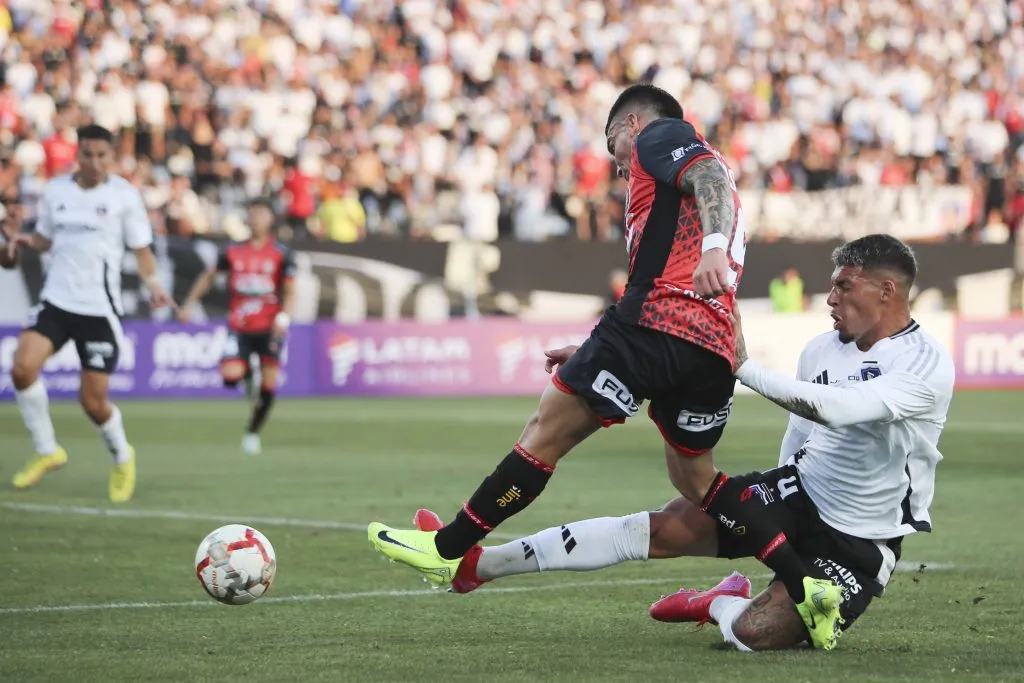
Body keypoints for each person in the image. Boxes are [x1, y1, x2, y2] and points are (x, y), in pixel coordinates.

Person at [369, 84, 847, 647]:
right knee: (697, 481)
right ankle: (808, 586)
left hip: (655, 325)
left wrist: (712, 247)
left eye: (612, 142)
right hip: (709, 347)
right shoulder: (691, 184)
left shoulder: (660, 136)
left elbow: (706, 186)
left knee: (545, 430)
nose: (618, 162)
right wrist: (597, 352)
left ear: (631, 123)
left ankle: (446, 550)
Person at [410, 234, 954, 653]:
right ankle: (477, 566)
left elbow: (837, 410)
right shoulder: (822, 349)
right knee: (660, 527)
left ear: (887, 291)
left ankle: (720, 602)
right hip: (800, 493)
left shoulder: (924, 363)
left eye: (843, 286)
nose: (830, 297)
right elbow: (802, 433)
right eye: (832, 284)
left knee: (753, 634)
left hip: (861, 539)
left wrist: (743, 367)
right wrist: (768, 500)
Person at [5, 124, 173, 503]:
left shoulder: (124, 196)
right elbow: (46, 239)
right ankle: (48, 449)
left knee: (92, 402)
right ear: (76, 155)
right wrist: (19, 239)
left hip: (98, 310)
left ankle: (122, 456)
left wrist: (154, 284)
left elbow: (142, 248)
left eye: (102, 155)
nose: (94, 162)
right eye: (87, 154)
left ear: (111, 157)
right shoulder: (56, 191)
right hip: (56, 301)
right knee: (22, 368)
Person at [178, 197, 296, 455]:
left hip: (269, 326)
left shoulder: (281, 252)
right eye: (252, 214)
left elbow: (289, 291)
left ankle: (252, 432)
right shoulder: (232, 251)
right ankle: (247, 377)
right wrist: (188, 304)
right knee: (230, 376)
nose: (256, 219)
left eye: (262, 214)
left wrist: (284, 318)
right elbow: (208, 277)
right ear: (246, 218)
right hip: (239, 325)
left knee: (269, 386)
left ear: (271, 219)